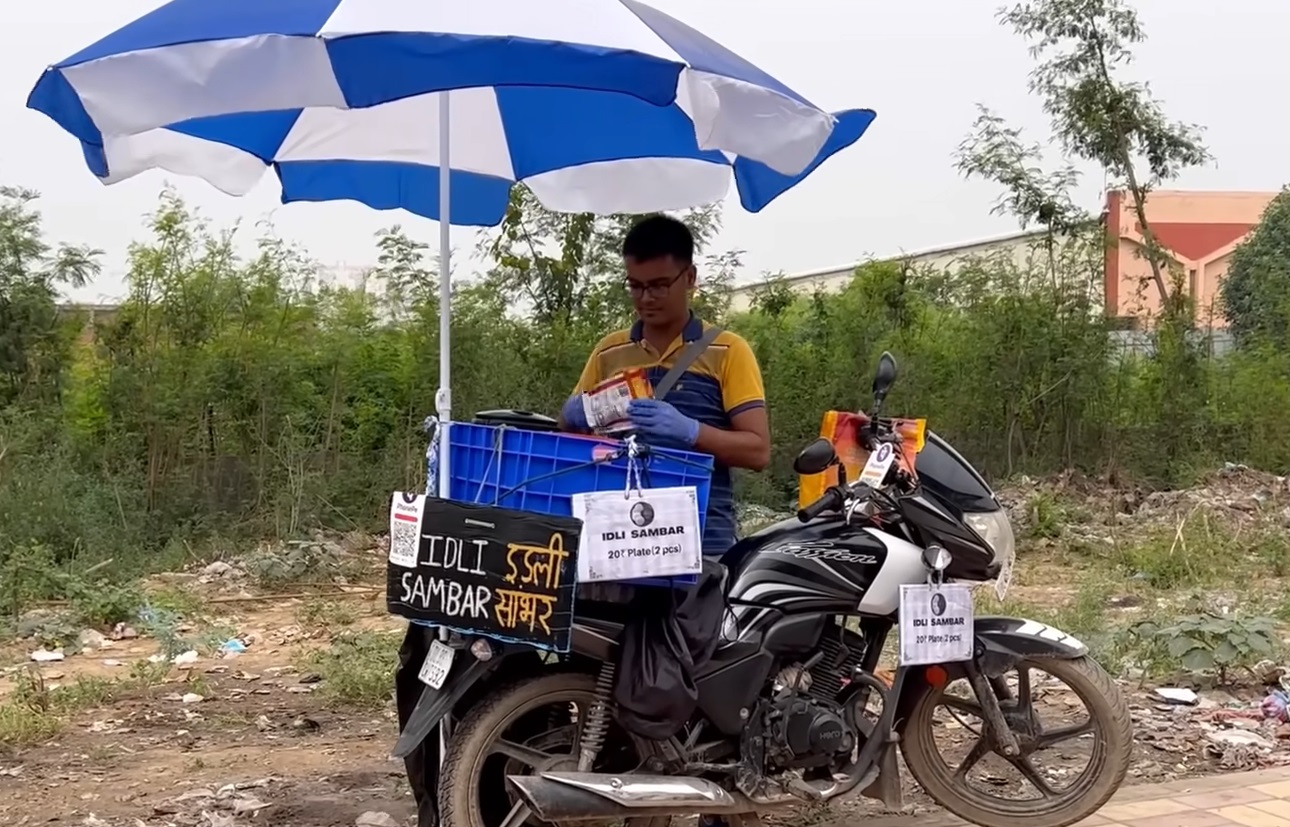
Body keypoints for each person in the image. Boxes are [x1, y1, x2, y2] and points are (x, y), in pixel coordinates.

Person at [559, 214, 771, 555]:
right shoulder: (609, 352)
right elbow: (569, 440)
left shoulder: (728, 351)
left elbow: (758, 451)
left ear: (689, 278)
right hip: (619, 541)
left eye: (658, 285)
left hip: (700, 542)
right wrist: (572, 418)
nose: (646, 298)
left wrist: (691, 431)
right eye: (636, 286)